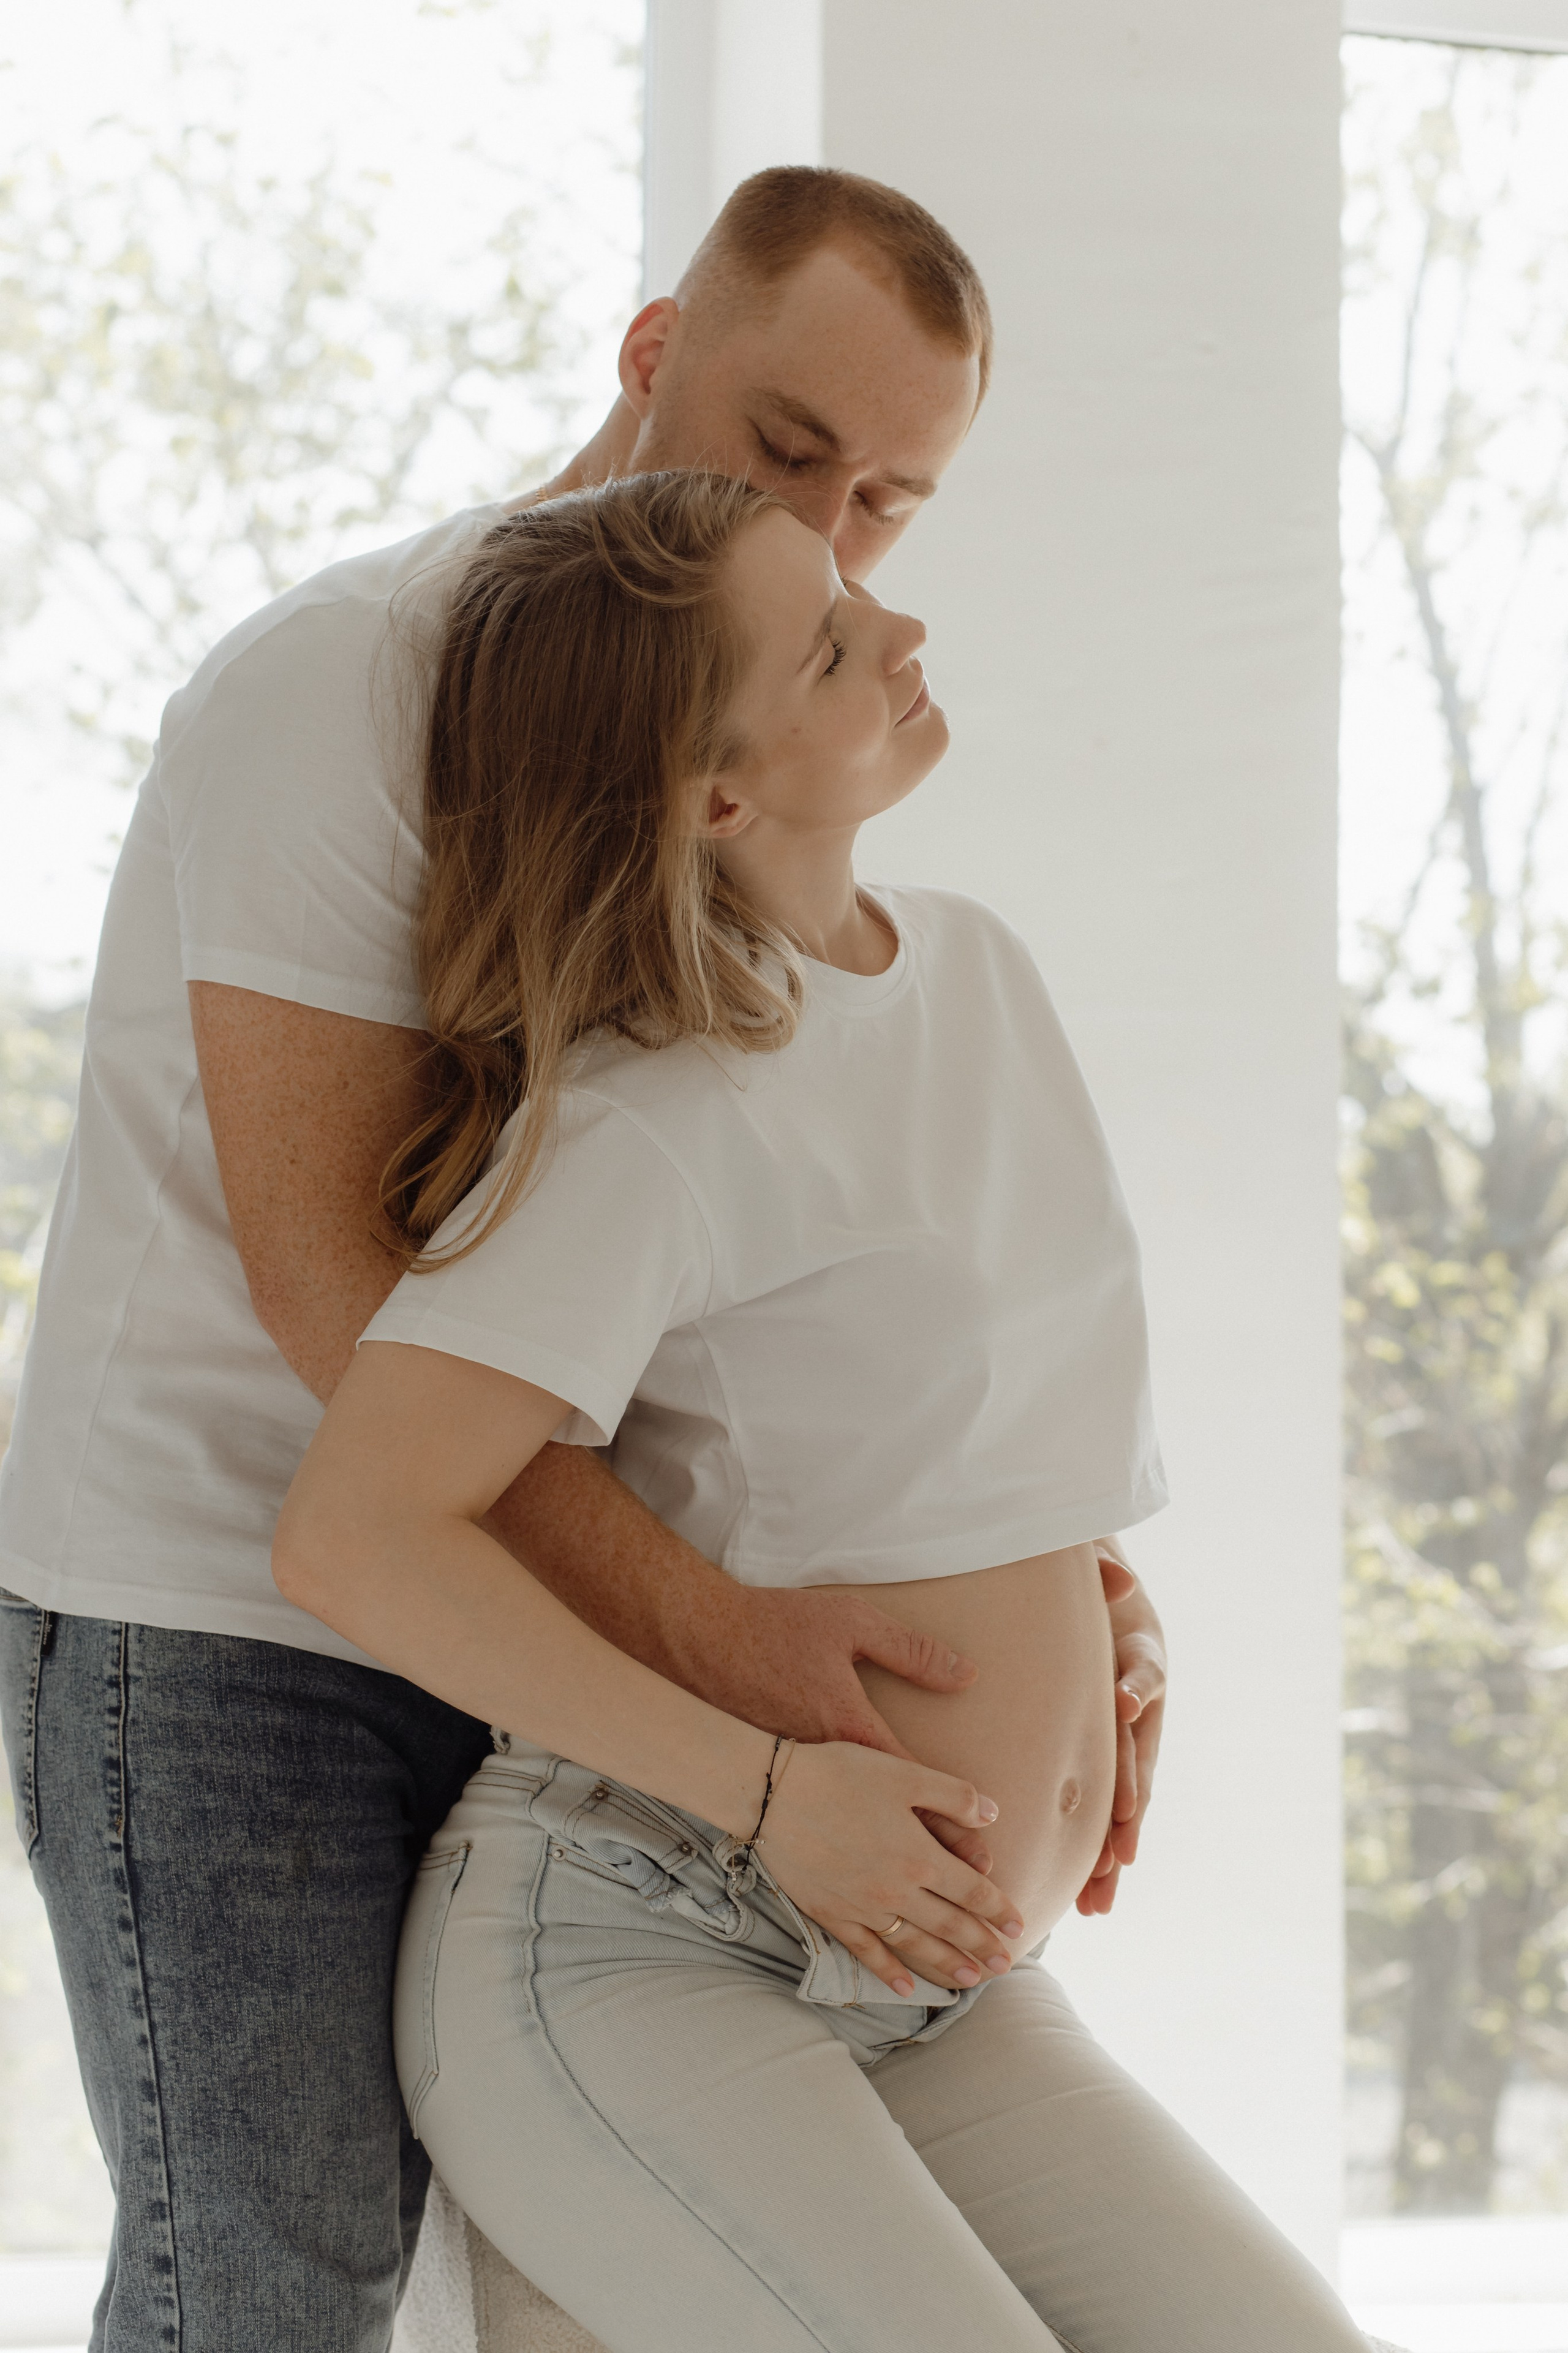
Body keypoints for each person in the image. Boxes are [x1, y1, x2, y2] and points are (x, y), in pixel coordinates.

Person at [0, 168, 1166, 2350]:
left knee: (553, 2280)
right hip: (229, 1602)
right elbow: (339, 1287)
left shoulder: (739, 743)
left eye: (887, 501)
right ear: (650, 350)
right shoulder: (342, 685)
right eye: (786, 442)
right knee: (284, 2265)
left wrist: (1034, 1581)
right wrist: (730, 1655)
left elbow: (756, 1280)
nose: (827, 530)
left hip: (515, 1595)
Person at [276, 467, 1377, 2353]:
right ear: (717, 791)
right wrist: (779, 1792)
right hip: (642, 1934)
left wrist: (1093, 1607)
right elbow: (355, 1534)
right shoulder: (648, 1124)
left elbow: (962, 1419)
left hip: (923, 1965)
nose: (907, 626)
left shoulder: (978, 978)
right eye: (835, 640)